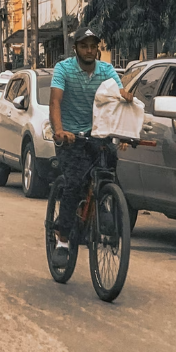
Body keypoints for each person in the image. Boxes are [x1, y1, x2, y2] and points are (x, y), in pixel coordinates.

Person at [48, 27, 134, 265]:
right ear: (76, 48)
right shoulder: (63, 69)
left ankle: (104, 203)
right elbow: (55, 102)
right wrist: (59, 131)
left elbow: (119, 99)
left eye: (93, 46)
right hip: (71, 138)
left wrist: (125, 105)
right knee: (74, 182)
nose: (89, 50)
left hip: (98, 135)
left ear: (98, 49)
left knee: (109, 172)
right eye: (84, 46)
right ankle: (63, 240)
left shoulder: (106, 70)